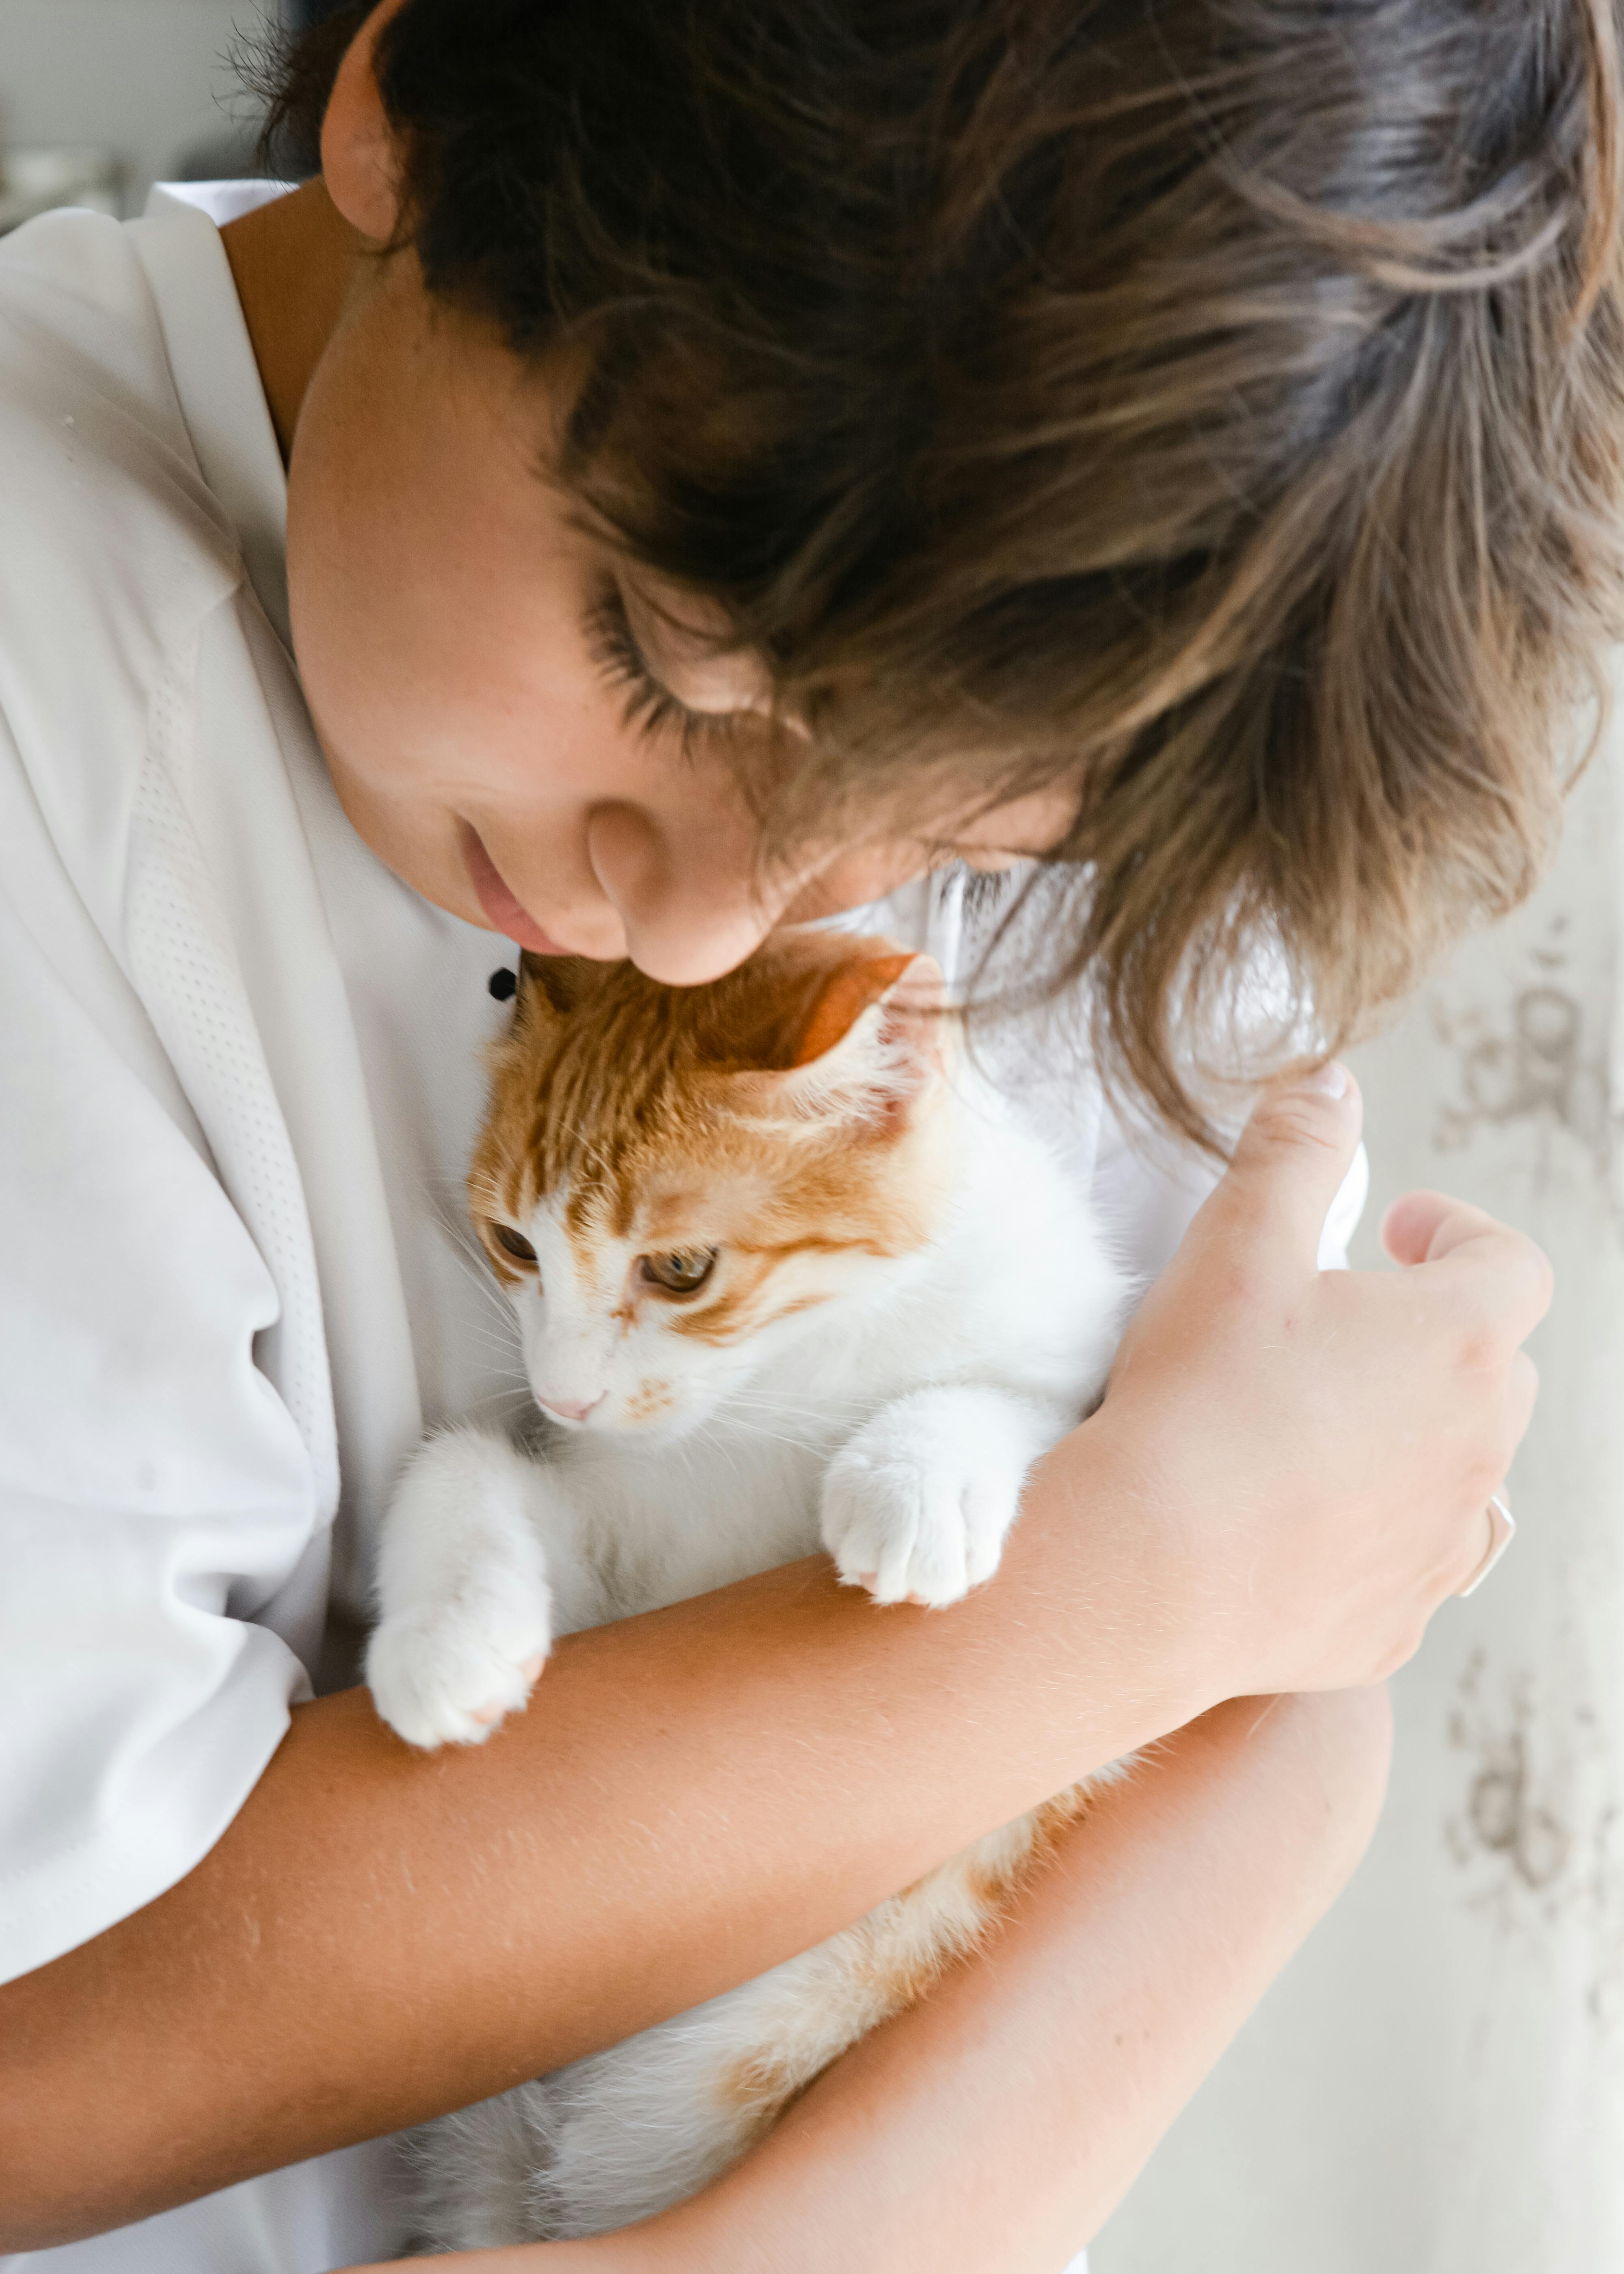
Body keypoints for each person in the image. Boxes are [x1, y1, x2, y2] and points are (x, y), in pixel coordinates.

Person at [0, 0, 1603, 2265]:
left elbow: (1294, 1672)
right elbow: (41, 2039)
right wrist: (1121, 1587)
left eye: (945, 833)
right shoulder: (44, 680)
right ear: (416, 103)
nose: (704, 929)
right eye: (666, 668)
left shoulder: (1092, 717)